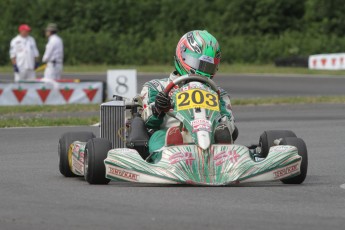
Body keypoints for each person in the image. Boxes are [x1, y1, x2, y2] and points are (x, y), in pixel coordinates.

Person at [140, 30, 237, 161]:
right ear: (182, 56)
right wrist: (158, 108)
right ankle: (168, 156)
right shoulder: (157, 87)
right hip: (170, 135)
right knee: (159, 136)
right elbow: (147, 123)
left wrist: (223, 126)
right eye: (198, 63)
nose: (201, 70)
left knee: (223, 132)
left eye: (208, 67)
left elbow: (230, 124)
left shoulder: (218, 93)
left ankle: (222, 155)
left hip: (208, 135)